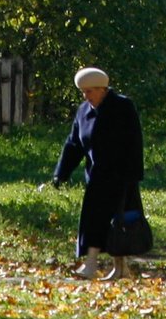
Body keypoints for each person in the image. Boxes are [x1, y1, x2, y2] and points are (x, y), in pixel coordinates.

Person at [42, 66, 146, 281]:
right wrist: (59, 175)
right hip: (97, 177)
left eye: (89, 91)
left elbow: (134, 142)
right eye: (83, 92)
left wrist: (132, 176)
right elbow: (73, 145)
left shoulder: (122, 107)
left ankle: (112, 267)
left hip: (121, 177)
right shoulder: (83, 111)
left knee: (120, 224)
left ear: (102, 89)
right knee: (94, 220)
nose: (85, 96)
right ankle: (98, 265)